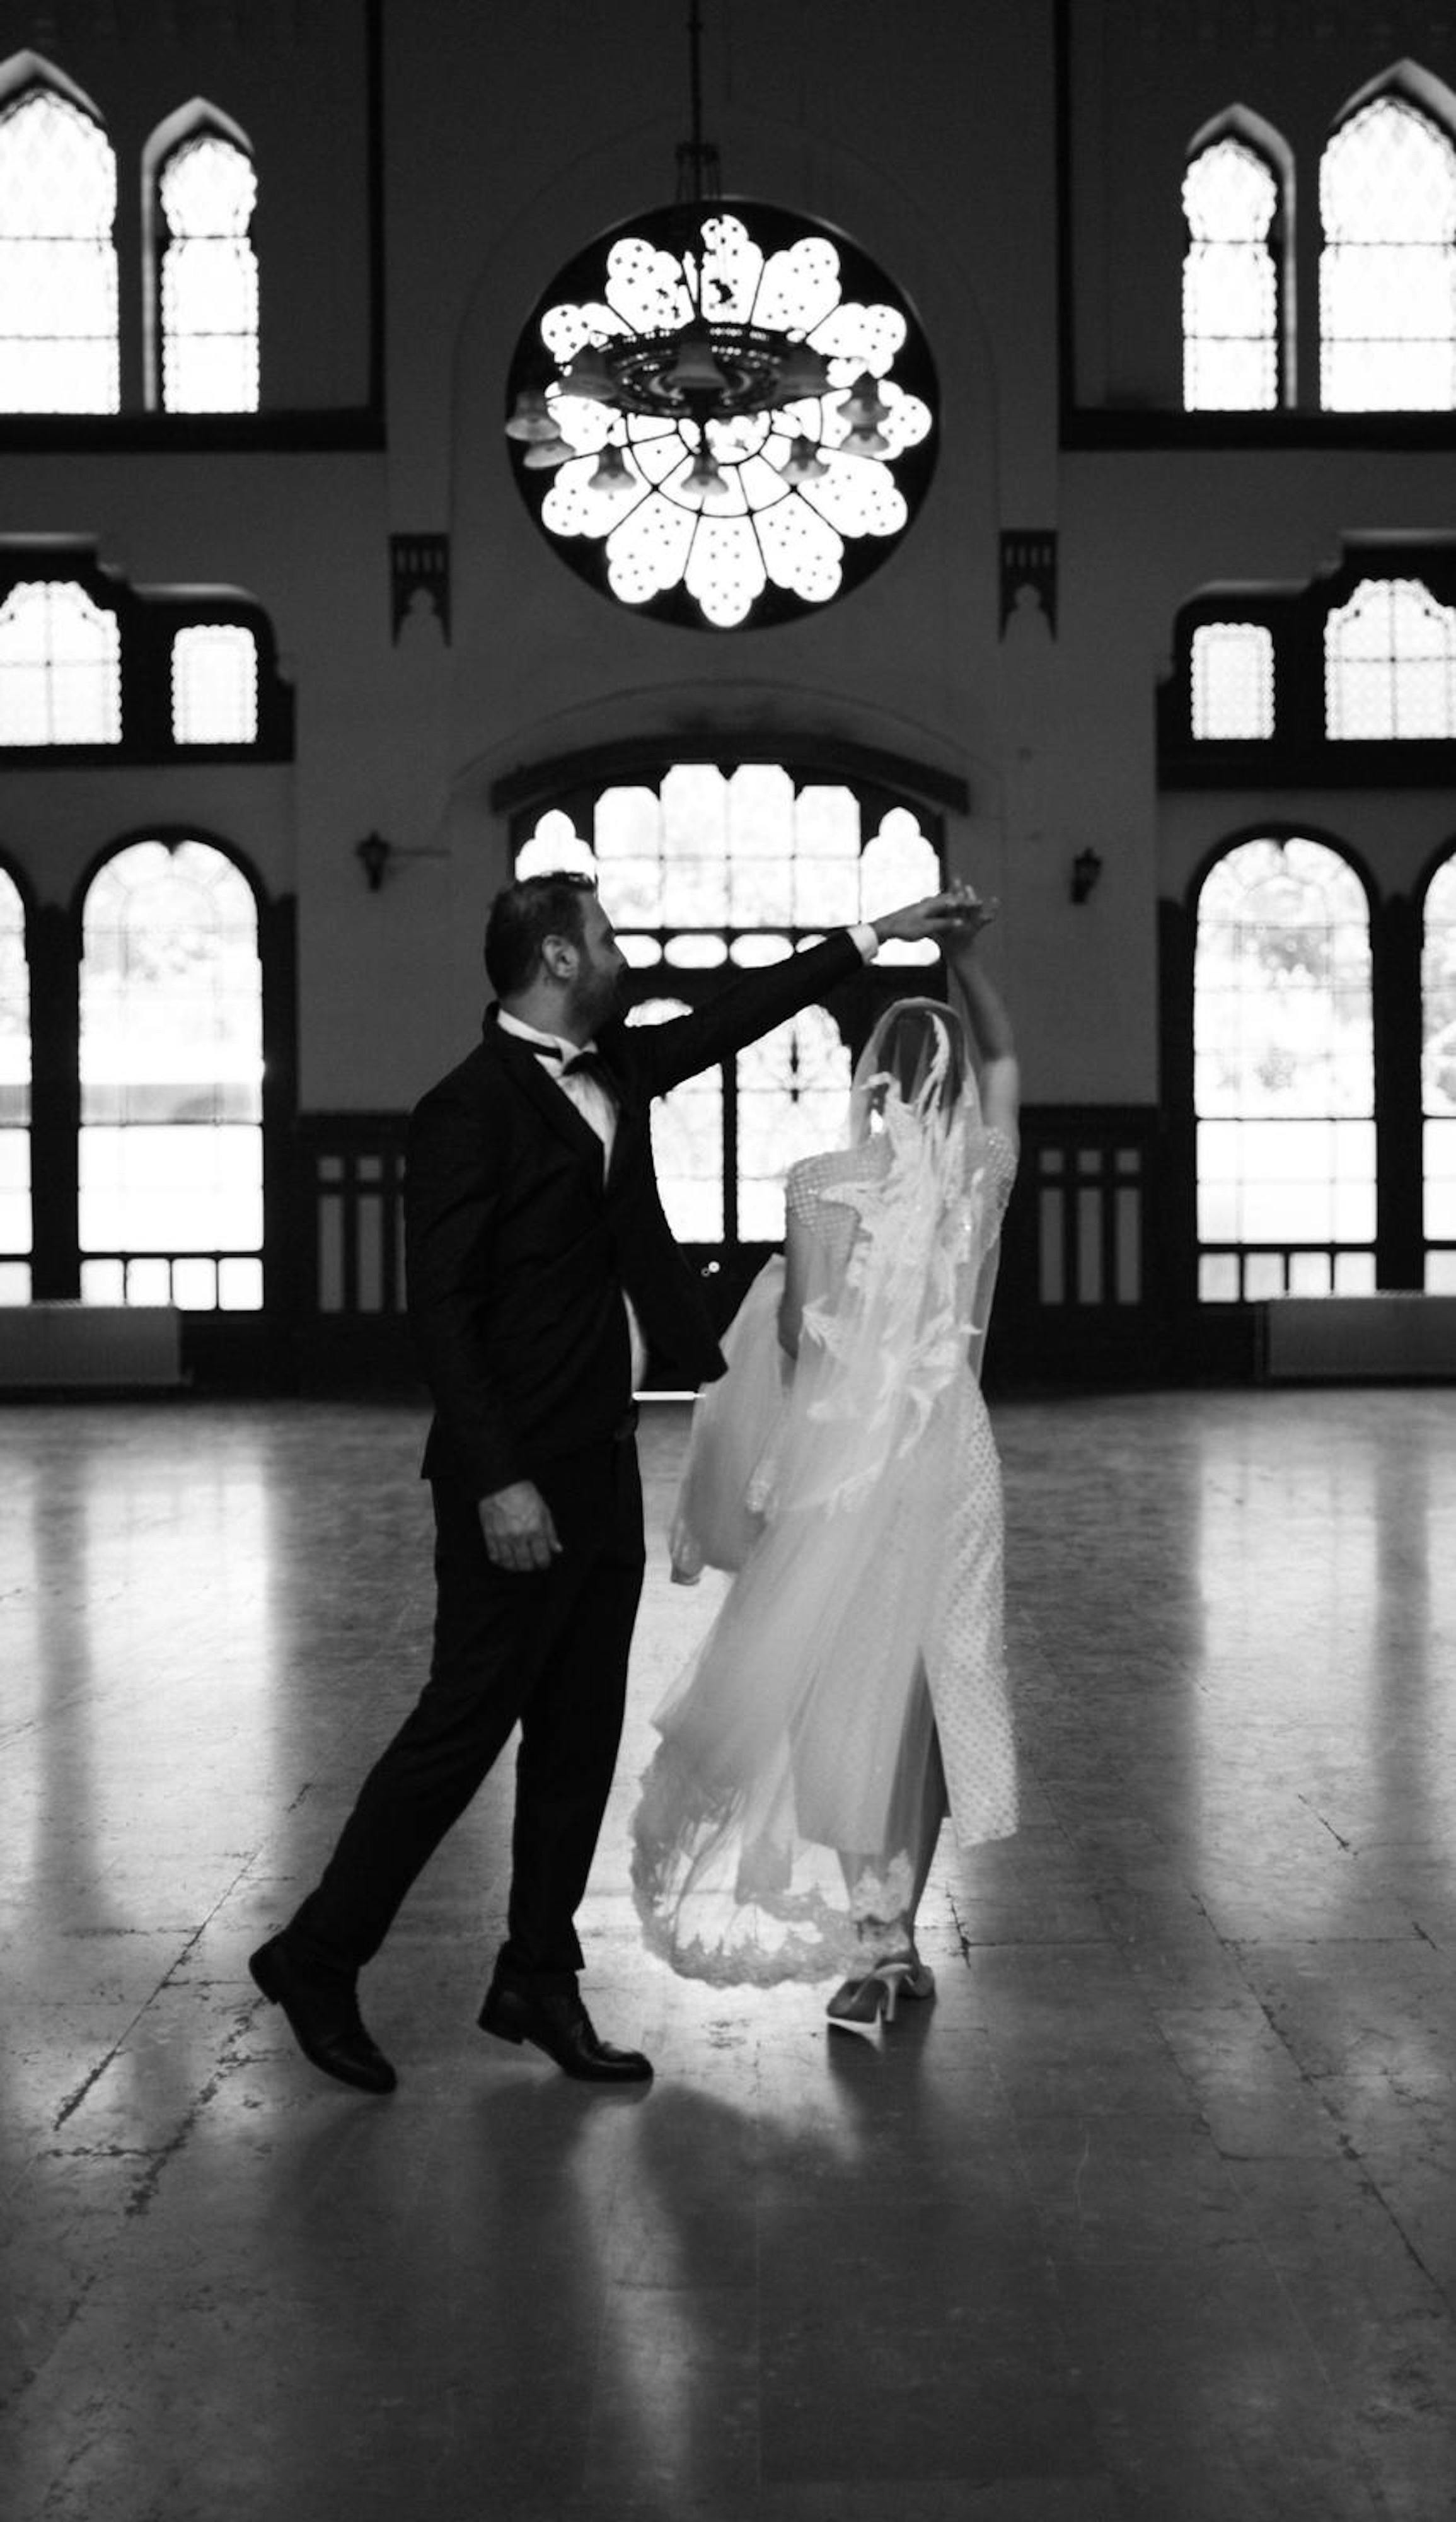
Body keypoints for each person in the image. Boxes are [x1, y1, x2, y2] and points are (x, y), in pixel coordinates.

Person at [249, 869, 976, 2090]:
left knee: (578, 1730)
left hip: (599, 1451)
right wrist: (496, 1478)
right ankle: (318, 1952)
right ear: (558, 957)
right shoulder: (465, 1108)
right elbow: (442, 1309)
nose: (622, 950)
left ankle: (537, 1973)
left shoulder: (619, 1069)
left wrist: (877, 933)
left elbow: (739, 1010)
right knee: (463, 1720)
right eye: (605, 934)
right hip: (514, 1476)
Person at [631, 889, 1019, 2026]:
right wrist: (966, 962)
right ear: (946, 1090)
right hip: (951, 1457)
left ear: (871, 1083)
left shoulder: (818, 1182)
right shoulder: (975, 1176)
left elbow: (801, 1335)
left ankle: (873, 1937)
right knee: (935, 1680)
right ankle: (901, 1932)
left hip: (842, 1462)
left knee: (842, 1687)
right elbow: (999, 1050)